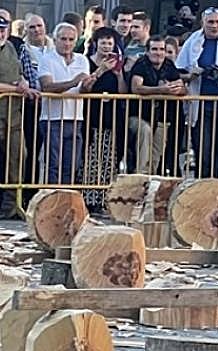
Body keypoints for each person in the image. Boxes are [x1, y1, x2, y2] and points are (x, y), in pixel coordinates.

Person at [176, 8, 218, 178]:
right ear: (203, 23)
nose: (214, 26)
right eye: (210, 22)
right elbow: (179, 70)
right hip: (201, 106)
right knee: (204, 155)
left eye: (217, 22)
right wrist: (193, 74)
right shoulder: (193, 41)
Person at [38, 22, 96, 185]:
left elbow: (83, 91)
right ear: (55, 39)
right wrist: (73, 82)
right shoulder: (46, 59)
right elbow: (47, 86)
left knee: (72, 165)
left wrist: (88, 84)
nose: (67, 43)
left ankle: (66, 196)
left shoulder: (82, 60)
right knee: (53, 164)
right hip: (52, 118)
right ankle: (52, 195)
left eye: (71, 39)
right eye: (63, 39)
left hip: (76, 118)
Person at [80, 27, 128, 212]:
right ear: (96, 43)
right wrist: (101, 70)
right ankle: (89, 198)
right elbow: (86, 86)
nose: (107, 46)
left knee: (108, 159)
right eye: (103, 43)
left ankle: (103, 199)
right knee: (91, 158)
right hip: (91, 116)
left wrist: (119, 74)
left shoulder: (117, 65)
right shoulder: (87, 62)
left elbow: (123, 92)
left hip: (111, 117)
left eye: (110, 43)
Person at [129, 35, 186, 175]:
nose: (158, 53)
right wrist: (161, 90)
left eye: (161, 49)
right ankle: (140, 176)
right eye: (154, 49)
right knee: (146, 132)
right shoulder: (141, 64)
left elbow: (183, 89)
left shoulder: (169, 65)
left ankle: (151, 179)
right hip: (139, 116)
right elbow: (136, 88)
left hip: (162, 118)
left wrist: (176, 89)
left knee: (156, 155)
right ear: (147, 51)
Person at [0, 13, 39, 216]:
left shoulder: (12, 47)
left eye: (3, 29)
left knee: (17, 156)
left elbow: (18, 73)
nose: (1, 33)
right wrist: (16, 89)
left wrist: (23, 82)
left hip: (12, 115)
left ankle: (13, 205)